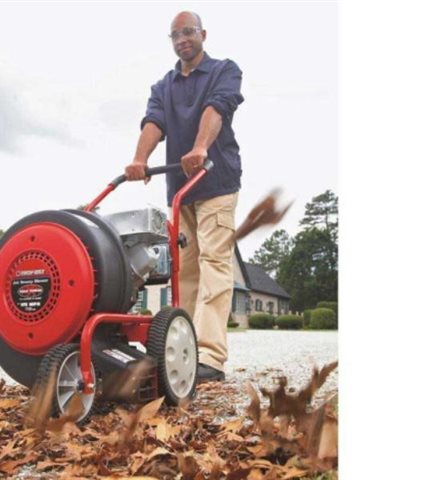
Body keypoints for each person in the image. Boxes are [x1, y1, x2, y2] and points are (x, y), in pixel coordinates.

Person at [124, 11, 244, 383]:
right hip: (181, 190)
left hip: (217, 181)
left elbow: (217, 108)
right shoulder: (164, 85)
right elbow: (153, 122)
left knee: (214, 264)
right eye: (175, 35)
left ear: (203, 34)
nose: (182, 39)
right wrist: (139, 160)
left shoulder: (224, 70)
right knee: (185, 271)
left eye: (188, 32)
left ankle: (211, 355)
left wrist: (199, 147)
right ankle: (184, 350)